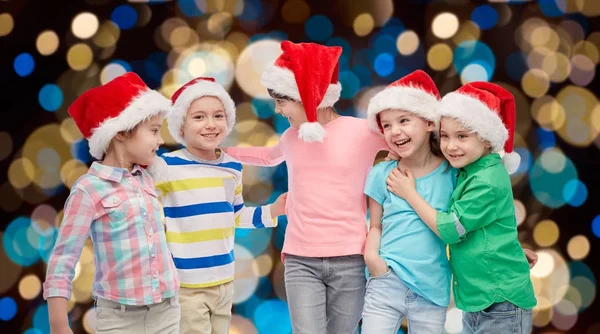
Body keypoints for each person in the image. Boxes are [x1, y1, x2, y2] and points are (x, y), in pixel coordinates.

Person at [223, 41, 389, 333]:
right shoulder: (291, 136)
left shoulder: (362, 132)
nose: (276, 109)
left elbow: (403, 145)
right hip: (301, 260)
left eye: (281, 101)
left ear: (307, 96)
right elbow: (266, 156)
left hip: (350, 257)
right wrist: (219, 153)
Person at [387, 81, 537, 334]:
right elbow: (489, 227)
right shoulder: (469, 169)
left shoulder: (487, 181)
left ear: (488, 140)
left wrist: (409, 193)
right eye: (445, 136)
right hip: (479, 299)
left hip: (500, 302)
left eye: (462, 136)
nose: (451, 146)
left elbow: (451, 229)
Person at [43, 72, 180, 334]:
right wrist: (58, 324)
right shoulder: (89, 189)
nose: (160, 140)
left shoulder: (149, 177)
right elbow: (63, 260)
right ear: (120, 132)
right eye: (153, 131)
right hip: (119, 319)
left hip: (168, 312)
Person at [149, 77, 287, 334]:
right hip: (186, 284)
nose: (211, 125)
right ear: (181, 124)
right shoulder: (166, 166)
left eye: (218, 116)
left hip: (224, 280)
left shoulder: (232, 167)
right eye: (199, 117)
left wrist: (272, 210)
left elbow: (234, 215)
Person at [361, 70, 452, 334]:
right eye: (387, 125)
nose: (394, 131)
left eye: (403, 120)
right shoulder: (381, 173)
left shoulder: (452, 174)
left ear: (429, 123)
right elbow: (375, 225)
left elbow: (464, 223)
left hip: (432, 288)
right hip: (385, 280)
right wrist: (372, 259)